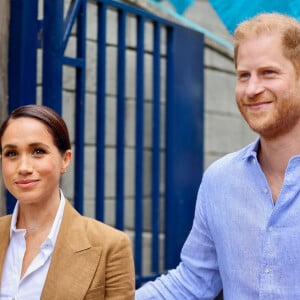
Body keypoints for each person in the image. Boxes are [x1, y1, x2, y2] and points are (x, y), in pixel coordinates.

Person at [135, 12, 300, 299]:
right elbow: (192, 282)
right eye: (243, 75)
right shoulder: (220, 179)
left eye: (268, 73)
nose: (252, 89)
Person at [0, 104, 135, 299]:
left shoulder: (110, 246)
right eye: (11, 154)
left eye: (38, 151)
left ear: (65, 159)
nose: (23, 167)